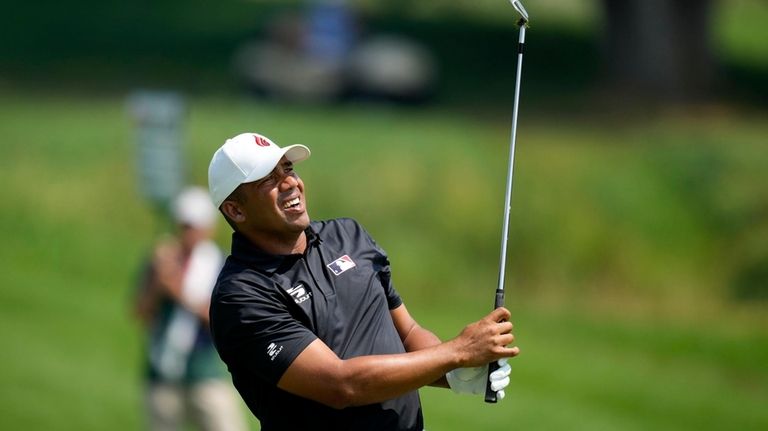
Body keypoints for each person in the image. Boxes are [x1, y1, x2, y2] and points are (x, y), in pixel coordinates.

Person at [207, 133, 521, 430]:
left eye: (287, 169)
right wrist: (456, 353)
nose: (290, 183)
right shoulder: (241, 296)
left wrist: (455, 372)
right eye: (268, 181)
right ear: (236, 210)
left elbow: (407, 334)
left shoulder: (348, 236)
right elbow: (339, 384)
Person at [133, 186, 247, 431]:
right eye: (185, 225)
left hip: (205, 372)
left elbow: (220, 318)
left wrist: (176, 290)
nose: (189, 233)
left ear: (209, 228)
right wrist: (156, 282)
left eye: (195, 226)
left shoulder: (221, 265)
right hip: (162, 371)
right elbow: (140, 312)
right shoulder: (161, 259)